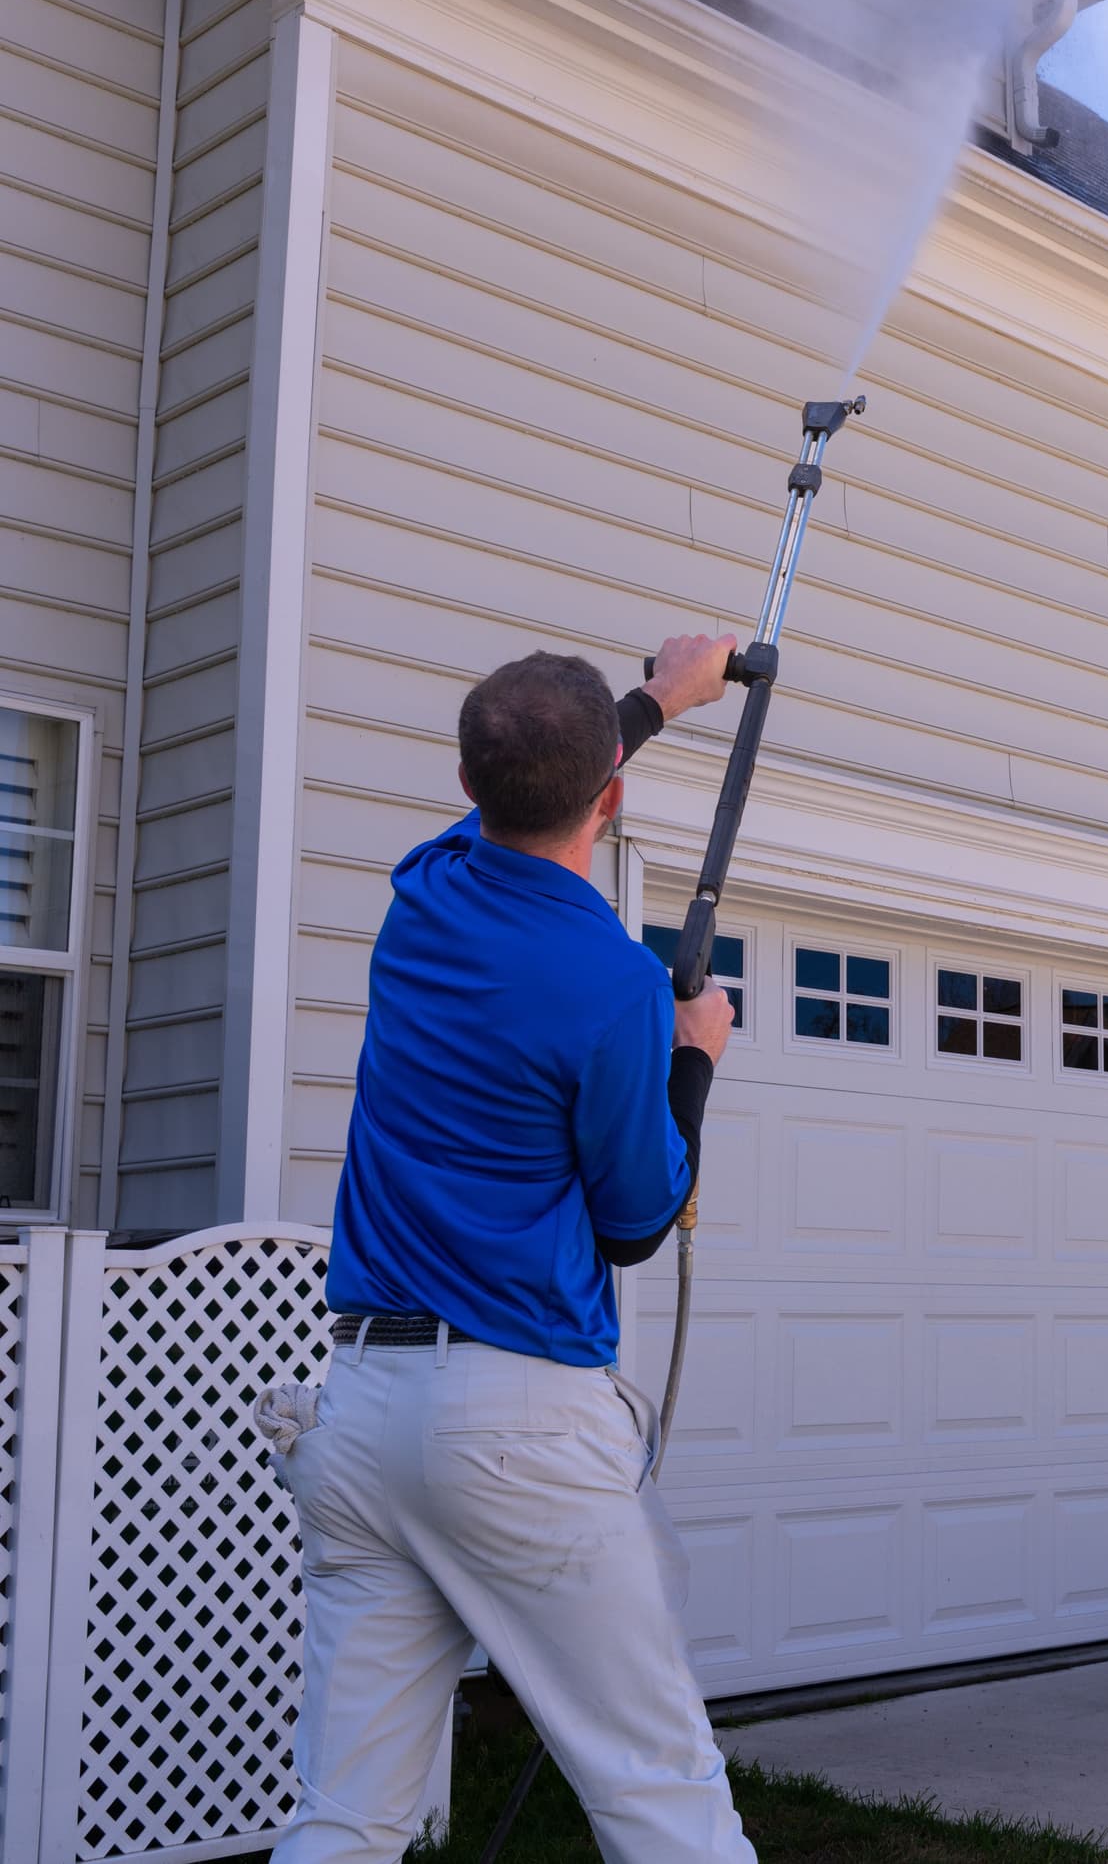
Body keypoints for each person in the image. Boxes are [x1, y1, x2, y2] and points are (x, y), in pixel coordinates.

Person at [269, 638, 752, 1864]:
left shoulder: (422, 891)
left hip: (362, 1413)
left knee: (349, 1817)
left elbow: (530, 788)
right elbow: (638, 1221)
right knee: (661, 1792)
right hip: (517, 1425)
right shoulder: (611, 983)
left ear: (475, 786)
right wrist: (696, 1051)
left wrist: (652, 703)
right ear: (613, 795)